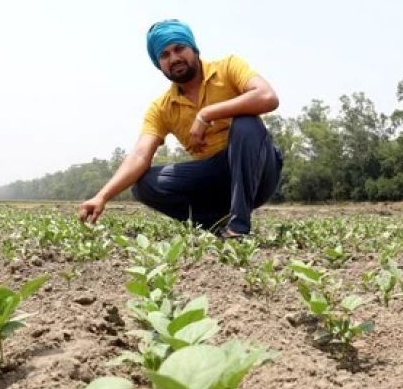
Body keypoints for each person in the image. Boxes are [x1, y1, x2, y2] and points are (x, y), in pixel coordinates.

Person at [78, 19, 283, 237]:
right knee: (144, 184)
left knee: (246, 123)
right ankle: (214, 223)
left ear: (193, 49)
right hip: (216, 179)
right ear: (159, 65)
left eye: (179, 48)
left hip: (259, 170)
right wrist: (102, 196)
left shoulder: (228, 67)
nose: (174, 58)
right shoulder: (161, 108)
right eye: (164, 55)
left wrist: (206, 114)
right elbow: (139, 155)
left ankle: (238, 227)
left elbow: (267, 96)